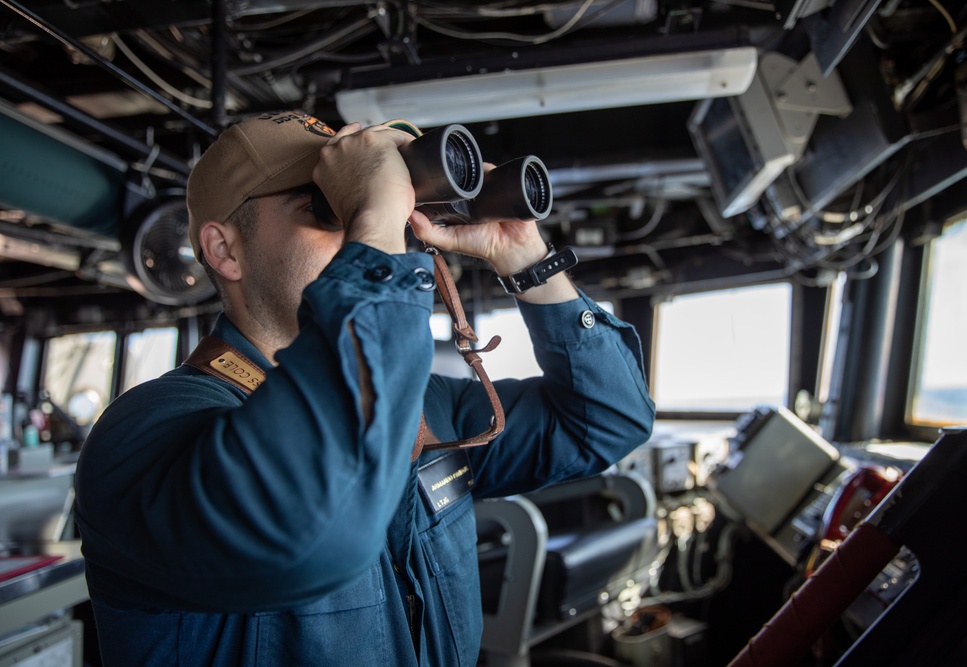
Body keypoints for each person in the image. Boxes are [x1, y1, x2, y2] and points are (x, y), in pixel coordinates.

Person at [74, 110, 655, 666]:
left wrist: (526, 259)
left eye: (362, 204)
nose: (367, 224)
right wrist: (372, 218)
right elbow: (315, 530)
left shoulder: (425, 407)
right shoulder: (146, 435)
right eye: (326, 206)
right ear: (225, 249)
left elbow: (607, 420)